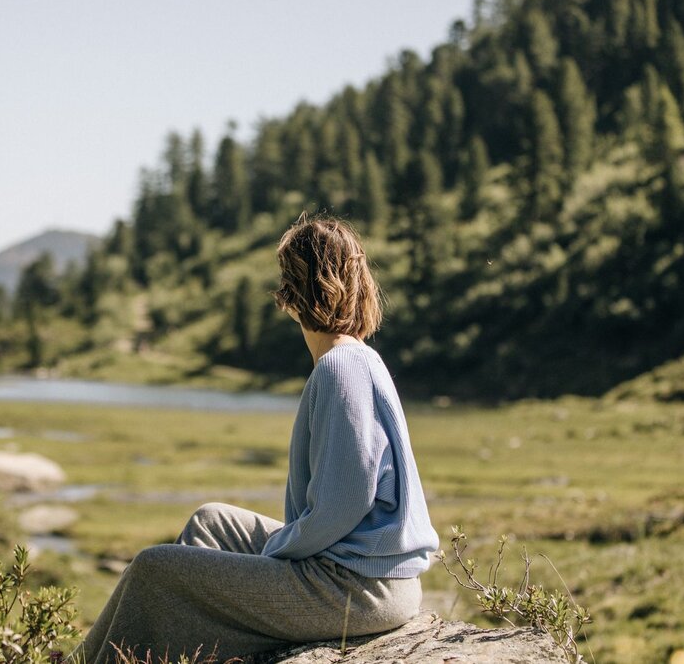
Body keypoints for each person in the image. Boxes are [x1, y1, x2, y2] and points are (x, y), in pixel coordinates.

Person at [74, 212, 439, 663]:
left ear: (291, 294)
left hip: (357, 589)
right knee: (212, 521)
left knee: (153, 568)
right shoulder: (358, 359)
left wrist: (281, 550)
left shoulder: (340, 368)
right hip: (362, 574)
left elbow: (343, 503)